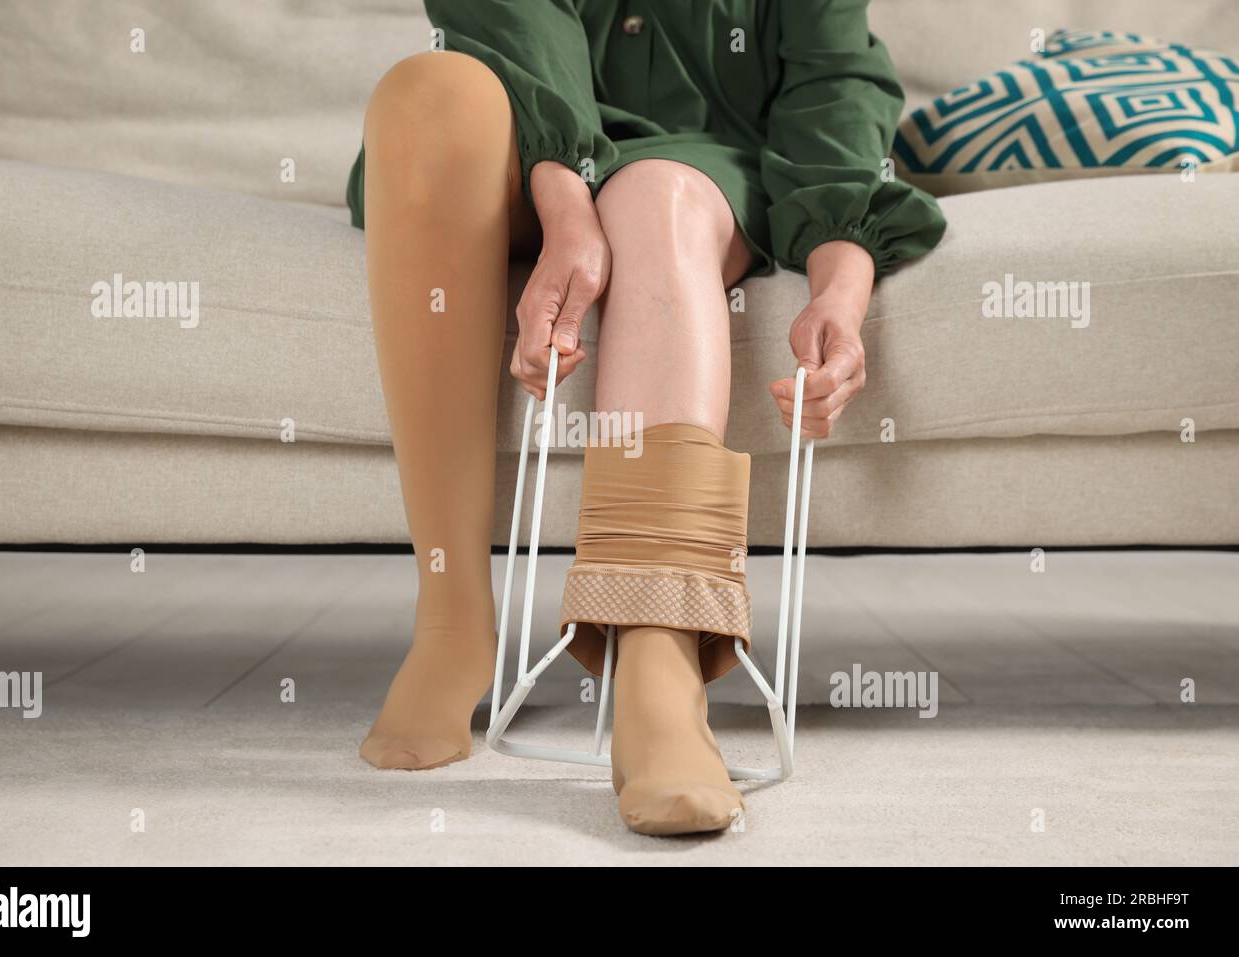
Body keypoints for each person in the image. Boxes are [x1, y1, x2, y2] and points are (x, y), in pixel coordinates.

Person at [347, 0, 945, 836]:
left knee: (656, 195)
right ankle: (450, 623)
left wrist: (839, 290)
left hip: (694, 164)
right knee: (429, 89)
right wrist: (566, 205)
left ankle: (658, 654)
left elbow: (832, 91)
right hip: (515, 139)